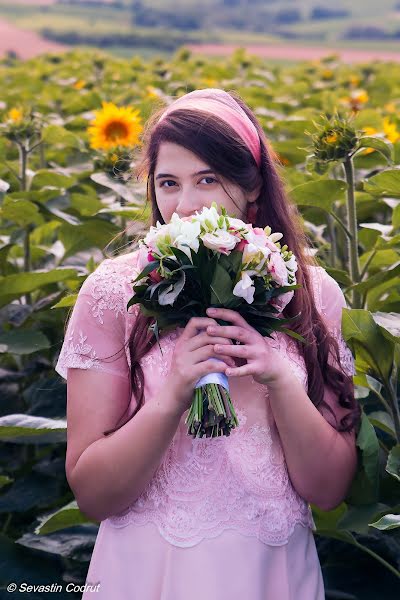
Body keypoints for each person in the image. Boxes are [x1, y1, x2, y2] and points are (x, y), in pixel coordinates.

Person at [55, 88, 361, 600]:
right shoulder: (113, 293)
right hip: (149, 566)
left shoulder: (310, 293)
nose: (186, 205)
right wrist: (175, 391)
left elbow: (329, 490)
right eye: (169, 183)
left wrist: (280, 380)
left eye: (209, 180)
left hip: (268, 567)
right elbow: (92, 493)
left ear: (253, 189)